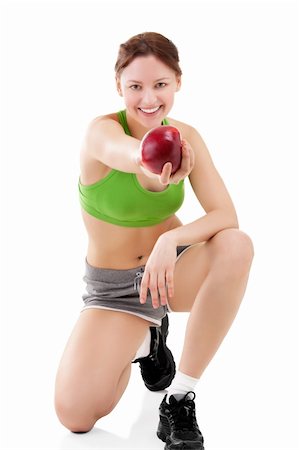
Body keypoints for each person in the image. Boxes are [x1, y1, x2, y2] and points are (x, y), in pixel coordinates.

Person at [54, 32, 254, 449]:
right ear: (118, 86)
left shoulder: (189, 137)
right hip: (116, 290)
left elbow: (225, 217)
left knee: (237, 244)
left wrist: (172, 240)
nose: (149, 98)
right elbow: (129, 154)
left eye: (160, 84)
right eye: (136, 86)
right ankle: (148, 341)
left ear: (178, 82)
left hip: (170, 273)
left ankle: (179, 398)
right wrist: (154, 156)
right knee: (75, 415)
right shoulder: (101, 134)